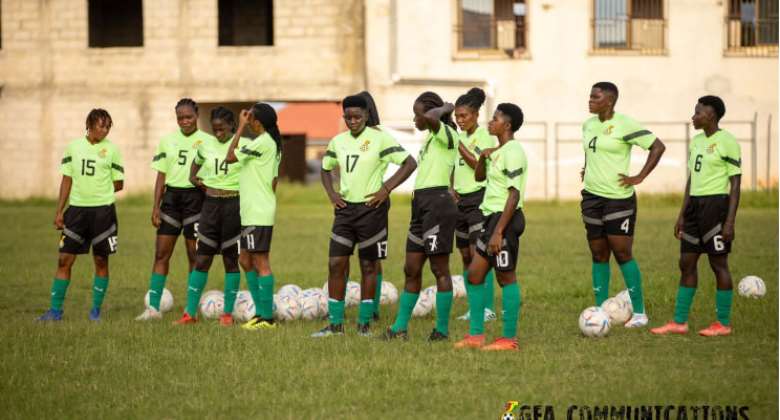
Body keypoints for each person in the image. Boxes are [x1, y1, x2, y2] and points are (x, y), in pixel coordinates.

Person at [313, 94, 416, 337]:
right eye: (347, 117)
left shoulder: (380, 138)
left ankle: (364, 325)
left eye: (357, 116)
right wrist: (332, 195)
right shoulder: (338, 141)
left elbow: (409, 163)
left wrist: (386, 188)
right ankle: (335, 325)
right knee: (336, 263)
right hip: (345, 210)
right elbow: (326, 169)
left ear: (367, 115)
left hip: (372, 210)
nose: (352, 121)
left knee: (369, 265)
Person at [651, 96, 741, 337]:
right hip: (694, 209)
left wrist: (729, 221)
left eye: (698, 112)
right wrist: (681, 214)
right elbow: (692, 179)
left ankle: (723, 323)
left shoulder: (728, 141)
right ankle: (679, 322)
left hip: (716, 207)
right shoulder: (696, 141)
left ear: (711, 116)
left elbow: (735, 184)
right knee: (686, 263)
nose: (693, 116)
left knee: (718, 264)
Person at [580, 82, 666, 328]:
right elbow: (591, 151)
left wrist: (639, 177)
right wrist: (587, 168)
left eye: (595, 97)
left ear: (609, 101)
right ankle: (600, 309)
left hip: (618, 199)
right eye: (590, 95)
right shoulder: (588, 124)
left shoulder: (625, 124)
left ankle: (639, 312)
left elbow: (657, 147)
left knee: (622, 252)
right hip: (591, 198)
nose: (590, 100)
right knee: (598, 253)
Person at [383, 91, 458, 341]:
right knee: (411, 268)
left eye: (418, 115)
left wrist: (445, 108)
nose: (415, 120)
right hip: (421, 204)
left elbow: (435, 118)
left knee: (439, 268)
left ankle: (442, 331)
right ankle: (399, 328)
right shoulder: (429, 139)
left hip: (438, 205)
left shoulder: (448, 134)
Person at [453, 103, 527, 351]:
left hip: (504, 219)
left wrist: (498, 232)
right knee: (474, 276)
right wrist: (484, 157)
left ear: (507, 125)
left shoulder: (514, 150)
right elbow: (479, 178)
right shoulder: (498, 151)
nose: (490, 122)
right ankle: (476, 335)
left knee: (506, 277)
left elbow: (514, 195)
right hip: (490, 219)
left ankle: (509, 339)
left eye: (494, 119)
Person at [38, 109, 124, 322]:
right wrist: (59, 210)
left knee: (101, 260)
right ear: (89, 124)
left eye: (108, 126)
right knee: (64, 260)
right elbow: (66, 180)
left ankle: (95, 311)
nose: (104, 130)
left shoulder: (112, 150)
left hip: (103, 212)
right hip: (76, 212)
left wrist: (99, 190)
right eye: (101, 125)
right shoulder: (73, 148)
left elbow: (119, 183)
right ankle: (55, 311)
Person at [137, 98, 215, 320]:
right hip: (171, 200)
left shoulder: (208, 141)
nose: (184, 121)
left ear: (196, 115)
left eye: (188, 117)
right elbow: (161, 175)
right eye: (180, 117)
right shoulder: (167, 141)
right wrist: (155, 206)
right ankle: (153, 308)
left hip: (196, 199)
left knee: (195, 256)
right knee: (161, 254)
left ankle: (191, 308)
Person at [174, 107, 244, 325]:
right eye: (215, 130)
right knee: (202, 258)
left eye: (222, 129)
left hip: (234, 205)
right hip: (210, 207)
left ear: (232, 126)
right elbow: (194, 167)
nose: (218, 133)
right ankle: (189, 313)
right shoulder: (205, 146)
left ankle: (227, 315)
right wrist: (195, 179)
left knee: (231, 260)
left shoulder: (244, 146)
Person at [225, 103, 283, 330]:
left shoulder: (263, 142)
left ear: (257, 122)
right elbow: (274, 181)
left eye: (250, 118)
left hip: (258, 212)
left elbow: (230, 156)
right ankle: (260, 313)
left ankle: (267, 318)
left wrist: (238, 127)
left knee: (260, 262)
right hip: (254, 210)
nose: (247, 121)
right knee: (245, 260)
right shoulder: (272, 144)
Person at [452, 87, 499, 323]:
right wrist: (451, 189)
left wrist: (459, 145)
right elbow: (452, 166)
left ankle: (487, 308)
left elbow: (476, 165)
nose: (459, 121)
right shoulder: (457, 136)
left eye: (464, 116)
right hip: (458, 202)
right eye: (456, 117)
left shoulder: (483, 137)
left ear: (475, 116)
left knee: (477, 254)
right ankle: (474, 307)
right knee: (464, 255)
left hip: (478, 200)